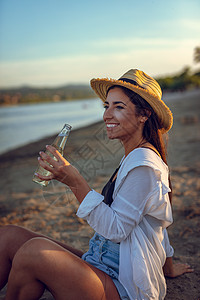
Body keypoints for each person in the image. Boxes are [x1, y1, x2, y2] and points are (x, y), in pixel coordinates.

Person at [0, 69, 193, 300]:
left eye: (118, 107)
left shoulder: (145, 165)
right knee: (9, 236)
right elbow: (159, 220)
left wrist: (75, 182)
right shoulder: (134, 156)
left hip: (122, 283)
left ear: (144, 115)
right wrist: (168, 267)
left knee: (33, 252)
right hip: (99, 261)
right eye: (106, 106)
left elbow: (116, 230)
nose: (107, 115)